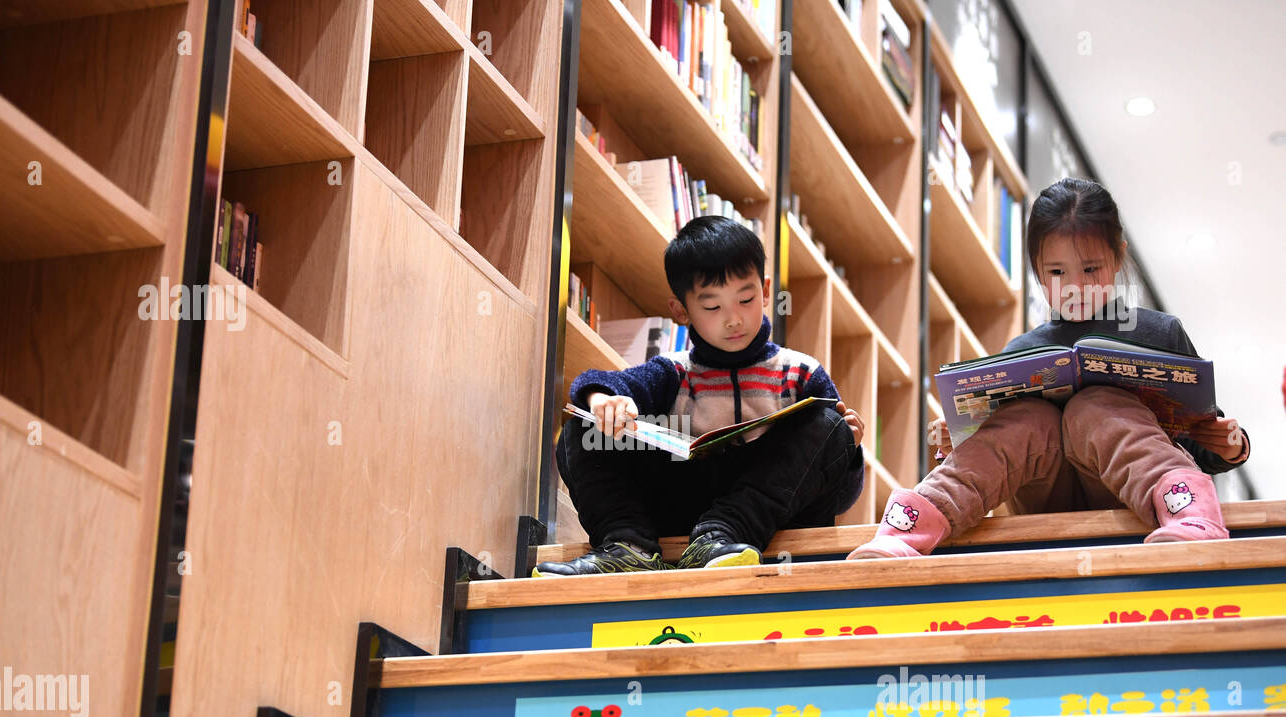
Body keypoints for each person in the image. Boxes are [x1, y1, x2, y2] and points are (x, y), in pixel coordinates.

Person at [850, 177, 1250, 560]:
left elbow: (1201, 436)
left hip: (1134, 491)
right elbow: (995, 457)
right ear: (1037, 270)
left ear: (1119, 256)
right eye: (1057, 273)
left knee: (1095, 407)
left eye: (1091, 269)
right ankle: (911, 525)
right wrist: (960, 436)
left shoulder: (1158, 332)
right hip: (1043, 495)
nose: (1075, 285)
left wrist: (1232, 445)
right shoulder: (1021, 351)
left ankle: (1191, 513)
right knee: (1028, 418)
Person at [534, 215, 865, 576]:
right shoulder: (673, 371)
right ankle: (627, 546)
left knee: (829, 425)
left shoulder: (801, 373)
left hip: (769, 518)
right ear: (680, 310)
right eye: (712, 307)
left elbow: (842, 497)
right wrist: (604, 401)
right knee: (583, 429)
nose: (733, 319)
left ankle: (723, 535)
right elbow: (603, 381)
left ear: (766, 291)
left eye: (746, 299)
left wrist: (849, 447)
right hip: (681, 510)